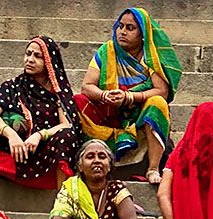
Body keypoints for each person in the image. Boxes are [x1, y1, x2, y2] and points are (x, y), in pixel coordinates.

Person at [0, 37, 79, 211]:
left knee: (66, 137)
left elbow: (67, 125)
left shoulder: (58, 92)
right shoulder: (12, 86)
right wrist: (11, 135)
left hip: (44, 156)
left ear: (49, 62)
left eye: (37, 56)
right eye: (28, 54)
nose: (30, 59)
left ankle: (62, 204)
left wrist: (40, 135)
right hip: (13, 153)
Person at [75, 8, 182, 184]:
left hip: (139, 117)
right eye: (120, 26)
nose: (122, 32)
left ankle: (153, 168)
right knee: (77, 102)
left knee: (157, 103)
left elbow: (162, 90)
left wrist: (130, 97)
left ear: (142, 35)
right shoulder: (106, 51)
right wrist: (104, 94)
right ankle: (87, 163)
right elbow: (86, 87)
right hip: (110, 114)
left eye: (130, 28)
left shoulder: (150, 56)